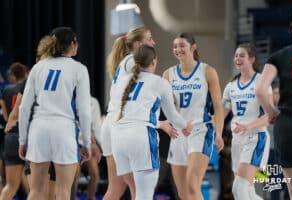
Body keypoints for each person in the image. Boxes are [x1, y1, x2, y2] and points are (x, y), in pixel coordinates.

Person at [102, 27, 177, 200]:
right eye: (149, 38)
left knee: (120, 188)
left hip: (114, 126)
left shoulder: (126, 63)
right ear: (138, 44)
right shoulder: (132, 61)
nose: (153, 42)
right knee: (134, 188)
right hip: (120, 126)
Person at [18, 27, 92, 200]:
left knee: (36, 190)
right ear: (72, 43)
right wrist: (86, 142)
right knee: (63, 190)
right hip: (63, 129)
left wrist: (23, 140)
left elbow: (24, 108)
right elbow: (84, 111)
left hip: (39, 127)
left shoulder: (39, 67)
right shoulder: (79, 69)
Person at [111, 44, 192, 200]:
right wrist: (186, 126)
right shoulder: (159, 82)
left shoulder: (121, 80)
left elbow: (127, 113)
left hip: (118, 138)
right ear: (154, 61)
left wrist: (157, 123)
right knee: (144, 195)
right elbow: (173, 116)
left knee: (134, 192)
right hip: (141, 138)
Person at [163, 33, 224, 200]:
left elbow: (218, 107)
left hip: (200, 130)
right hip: (179, 133)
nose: (178, 49)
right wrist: (167, 124)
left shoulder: (207, 71)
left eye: (182, 45)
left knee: (192, 184)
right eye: (175, 46)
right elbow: (167, 107)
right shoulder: (168, 74)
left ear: (193, 47)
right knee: (183, 194)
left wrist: (218, 134)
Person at [256, 10, 292, 200]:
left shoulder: (279, 56)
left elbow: (260, 91)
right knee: (272, 184)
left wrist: (272, 113)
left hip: (287, 124)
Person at [222, 43, 272, 200]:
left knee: (239, 188)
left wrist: (248, 126)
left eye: (242, 55)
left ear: (252, 59)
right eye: (236, 55)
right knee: (248, 191)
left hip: (256, 138)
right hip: (238, 141)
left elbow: (270, 116)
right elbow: (221, 114)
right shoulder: (230, 86)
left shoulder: (261, 82)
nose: (237, 58)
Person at [0, 63, 28, 200]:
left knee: (10, 185)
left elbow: (6, 117)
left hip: (10, 136)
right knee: (36, 188)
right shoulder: (30, 87)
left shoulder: (6, 90)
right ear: (26, 73)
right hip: (26, 136)